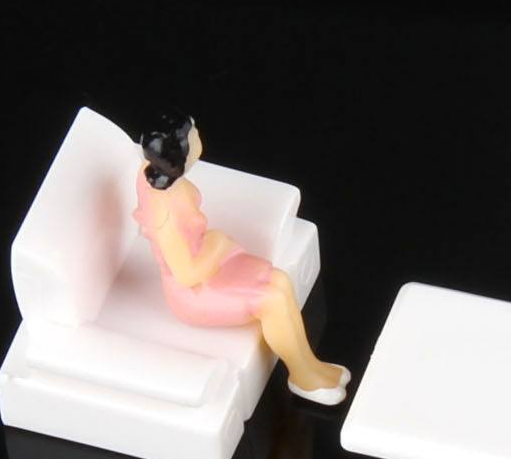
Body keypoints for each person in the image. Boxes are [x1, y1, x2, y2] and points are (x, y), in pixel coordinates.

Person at [133, 114, 350, 404]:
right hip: (193, 290)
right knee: (271, 300)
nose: (198, 138)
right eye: (193, 136)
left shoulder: (151, 173)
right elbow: (185, 274)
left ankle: (310, 364)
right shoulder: (166, 213)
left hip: (209, 260)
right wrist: (218, 244)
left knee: (280, 281)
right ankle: (302, 377)